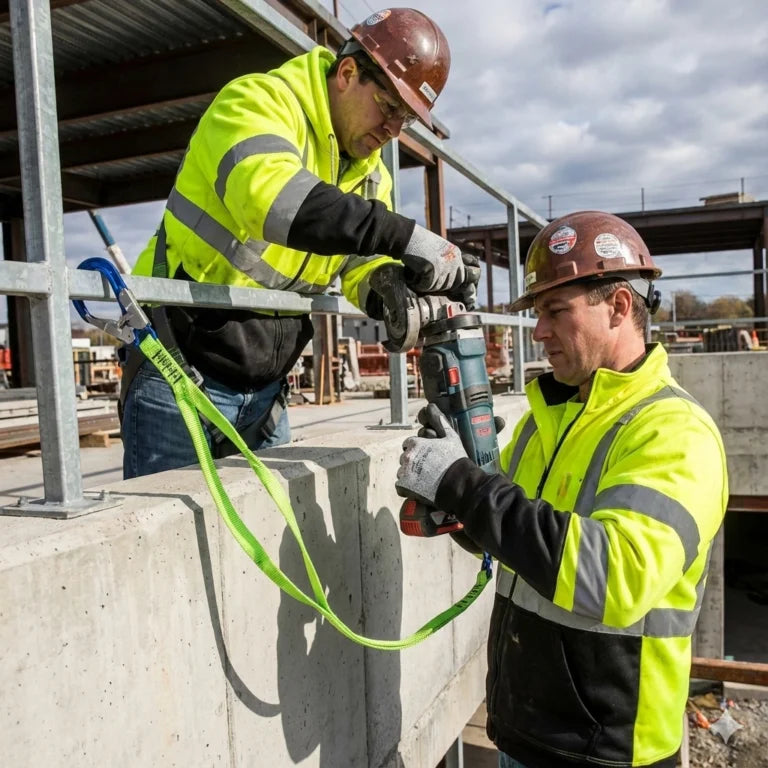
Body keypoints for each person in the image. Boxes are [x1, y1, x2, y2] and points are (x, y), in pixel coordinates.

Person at [396, 211, 728, 768]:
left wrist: (462, 483)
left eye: (556, 311)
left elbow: (610, 579)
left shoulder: (674, 432)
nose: (539, 332)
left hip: (609, 750)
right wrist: (453, 507)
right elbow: (514, 539)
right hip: (526, 732)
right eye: (538, 314)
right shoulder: (543, 421)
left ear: (618, 306)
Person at [121, 7, 477, 478]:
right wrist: (404, 235)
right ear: (346, 73)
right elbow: (272, 201)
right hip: (178, 366)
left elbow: (359, 261)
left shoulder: (372, 176)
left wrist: (389, 289)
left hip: (267, 389)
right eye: (390, 107)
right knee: (169, 522)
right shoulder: (257, 101)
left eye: (406, 120)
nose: (393, 130)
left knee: (270, 525)